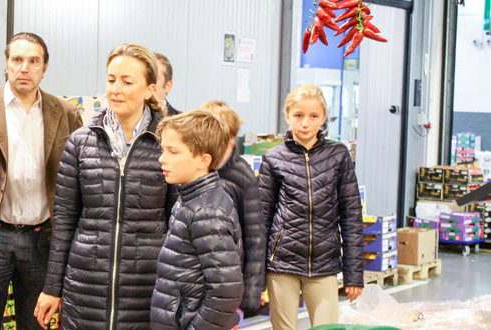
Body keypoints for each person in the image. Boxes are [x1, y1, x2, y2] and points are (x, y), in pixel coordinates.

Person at [35, 44, 177, 330]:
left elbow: (178, 221)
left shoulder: (170, 143)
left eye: (127, 81)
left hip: (148, 286)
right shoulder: (80, 142)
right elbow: (63, 222)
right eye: (111, 80)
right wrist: (52, 287)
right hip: (85, 286)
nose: (116, 89)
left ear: (150, 89)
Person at [0, 32, 83, 330]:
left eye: (33, 61)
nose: (24, 67)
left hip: (42, 239)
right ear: (6, 65)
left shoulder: (67, 114)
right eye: (17, 60)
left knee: (36, 324)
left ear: (44, 68)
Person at [259, 85, 364, 330]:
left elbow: (351, 214)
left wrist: (354, 273)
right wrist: (256, 274)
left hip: (324, 265)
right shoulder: (273, 158)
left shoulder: (338, 155)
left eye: (314, 116)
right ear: (287, 116)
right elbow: (262, 217)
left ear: (323, 118)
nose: (305, 123)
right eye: (298, 115)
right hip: (281, 265)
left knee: (327, 328)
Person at [150, 110, 244, 330]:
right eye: (163, 149)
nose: (162, 158)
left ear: (203, 160)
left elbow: (226, 291)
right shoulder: (189, 200)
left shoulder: (207, 211)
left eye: (173, 151)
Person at [200, 101, 266, 314]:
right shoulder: (190, 171)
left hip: (228, 283)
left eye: (226, 144)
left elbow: (255, 237)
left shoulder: (243, 177)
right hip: (195, 280)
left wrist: (252, 292)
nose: (220, 151)